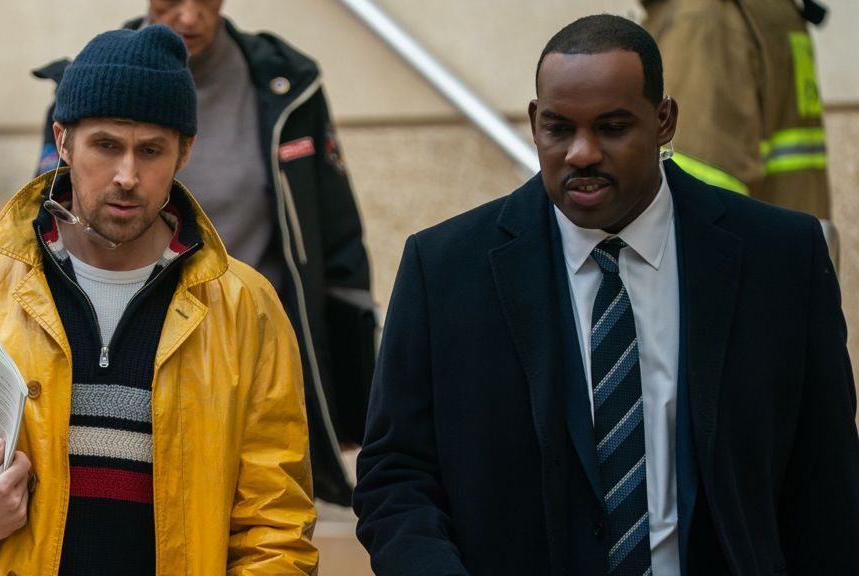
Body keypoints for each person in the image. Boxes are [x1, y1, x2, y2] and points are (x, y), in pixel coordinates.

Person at [353, 14, 859, 575]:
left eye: (613, 127)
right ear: (533, 122)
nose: (582, 153)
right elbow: (395, 477)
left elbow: (828, 483)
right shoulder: (445, 268)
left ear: (664, 120)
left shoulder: (782, 258)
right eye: (558, 128)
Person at [0, 25, 317, 575]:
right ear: (64, 140)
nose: (127, 176)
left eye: (151, 151)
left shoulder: (246, 307)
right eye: (106, 145)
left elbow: (276, 519)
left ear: (184, 152)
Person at [34, 0, 376, 507]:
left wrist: (352, 398)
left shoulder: (288, 84)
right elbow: (45, 227)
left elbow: (338, 241)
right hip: (132, 350)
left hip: (250, 354)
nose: (190, 17)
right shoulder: (86, 84)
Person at [641, 0, 832, 218]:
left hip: (731, 245)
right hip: (790, 239)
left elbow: (695, 186)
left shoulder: (702, 20)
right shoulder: (772, 9)